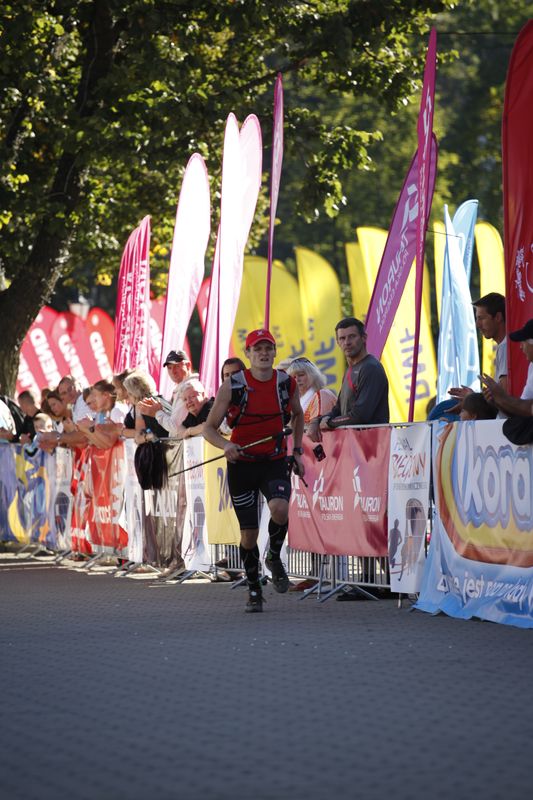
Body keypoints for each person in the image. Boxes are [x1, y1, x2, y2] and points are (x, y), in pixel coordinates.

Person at [203, 329, 305, 613]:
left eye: (268, 348)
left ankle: (273, 556)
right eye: (257, 349)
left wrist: (297, 451)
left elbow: (298, 414)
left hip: (274, 459)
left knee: (280, 509)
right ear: (248, 354)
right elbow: (208, 429)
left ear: (274, 352)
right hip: (242, 464)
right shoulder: (234, 385)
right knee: (248, 535)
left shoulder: (286, 383)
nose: (263, 353)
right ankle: (254, 588)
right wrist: (226, 445)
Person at [286, 356, 337, 591]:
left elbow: (324, 431)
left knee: (326, 519)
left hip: (324, 467)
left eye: (302, 375)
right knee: (310, 520)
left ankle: (330, 576)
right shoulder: (295, 401)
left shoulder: (322, 396)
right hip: (306, 470)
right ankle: (315, 573)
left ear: (312, 375)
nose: (298, 380)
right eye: (294, 377)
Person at [307, 316, 389, 443]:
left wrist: (329, 422)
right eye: (342, 338)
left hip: (372, 446)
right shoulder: (351, 370)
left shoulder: (371, 368)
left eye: (352, 336)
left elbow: (360, 415)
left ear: (364, 338)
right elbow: (338, 409)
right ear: (337, 342)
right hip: (354, 445)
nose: (347, 342)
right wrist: (316, 421)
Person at [449, 292, 507, 411]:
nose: (477, 324)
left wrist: (472, 399)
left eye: (481, 318)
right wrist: (473, 398)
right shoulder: (504, 346)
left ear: (498, 317)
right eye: (477, 319)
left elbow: (503, 399)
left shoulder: (505, 347)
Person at [481, 318, 533, 417]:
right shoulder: (532, 366)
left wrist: (502, 397)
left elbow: (528, 409)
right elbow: (521, 411)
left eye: (523, 342)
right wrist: (497, 401)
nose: (520, 347)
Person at [137, 350, 197, 435]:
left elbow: (174, 426)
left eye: (177, 366)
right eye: (169, 368)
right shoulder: (183, 387)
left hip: (192, 441)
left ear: (188, 365)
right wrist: (160, 410)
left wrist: (157, 412)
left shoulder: (189, 387)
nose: (173, 371)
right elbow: (178, 424)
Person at [122, 371, 169, 443]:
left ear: (135, 393)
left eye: (129, 394)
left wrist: (147, 437)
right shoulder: (159, 400)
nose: (127, 397)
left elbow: (140, 437)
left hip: (166, 446)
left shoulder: (146, 405)